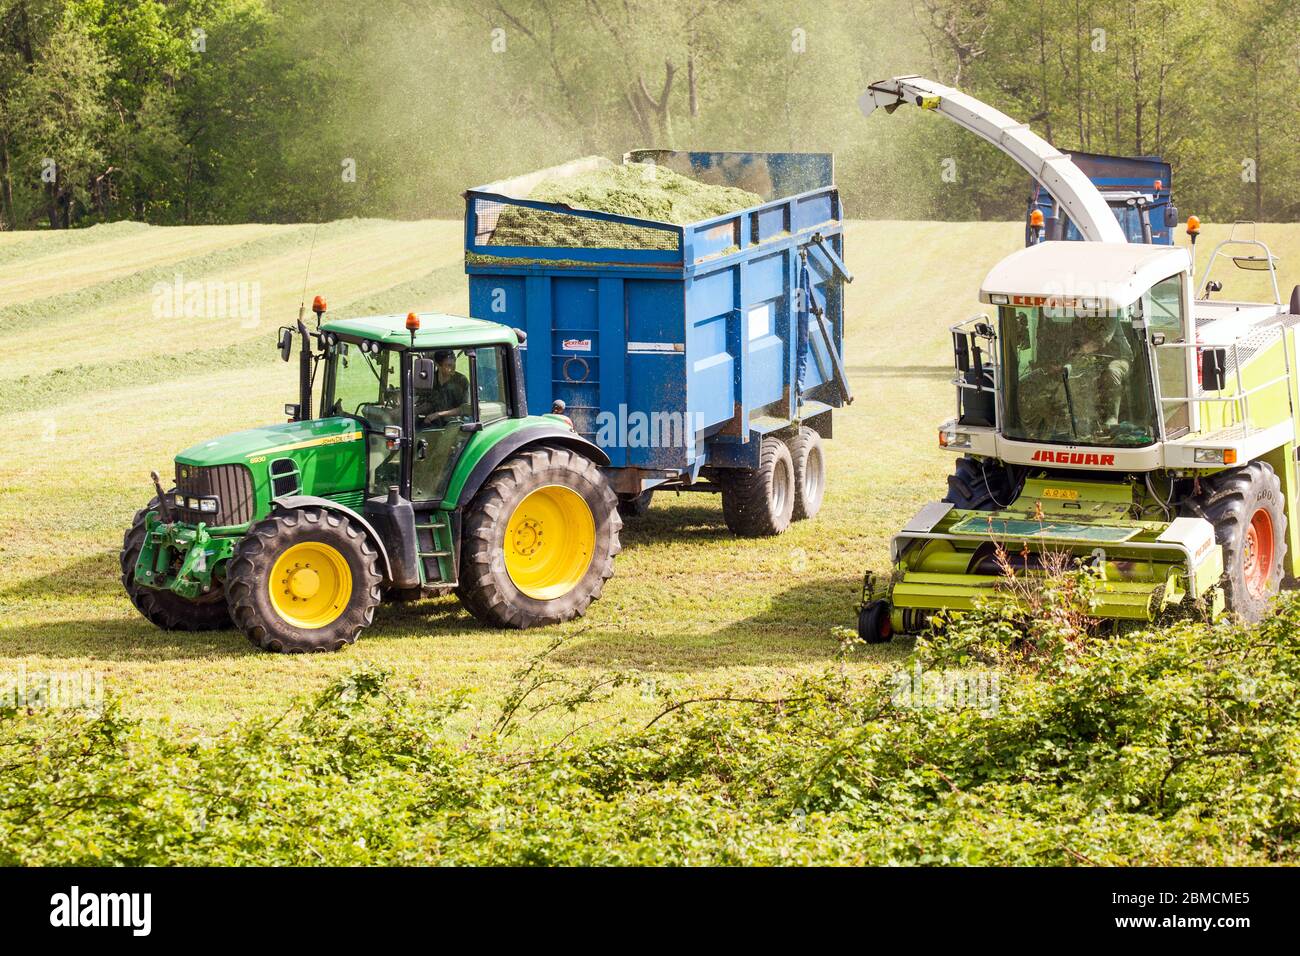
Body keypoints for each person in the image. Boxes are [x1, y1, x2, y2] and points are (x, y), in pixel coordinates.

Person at [1017, 311, 1132, 441]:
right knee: (1066, 377)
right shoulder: (1080, 312)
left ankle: (1111, 418)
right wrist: (1061, 361)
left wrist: (1077, 353)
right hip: (1090, 359)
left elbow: (1100, 341)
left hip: (1118, 358)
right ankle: (1066, 425)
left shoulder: (1109, 308)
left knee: (1111, 372)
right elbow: (1073, 337)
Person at [415, 349, 470, 426]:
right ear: (438, 365)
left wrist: (439, 414)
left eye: (454, 364)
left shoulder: (461, 381)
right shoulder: (430, 380)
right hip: (432, 424)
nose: (453, 368)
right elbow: (423, 401)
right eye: (448, 365)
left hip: (455, 424)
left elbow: (465, 408)